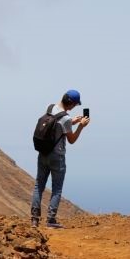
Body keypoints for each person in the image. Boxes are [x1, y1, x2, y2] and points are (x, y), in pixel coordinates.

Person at [31, 89, 90, 228]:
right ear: (72, 104)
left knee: (39, 185)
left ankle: (34, 219)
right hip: (57, 156)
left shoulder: (50, 107)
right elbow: (71, 140)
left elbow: (56, 125)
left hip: (43, 152)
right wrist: (81, 126)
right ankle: (51, 220)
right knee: (56, 188)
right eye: (75, 105)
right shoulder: (66, 119)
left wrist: (72, 121)